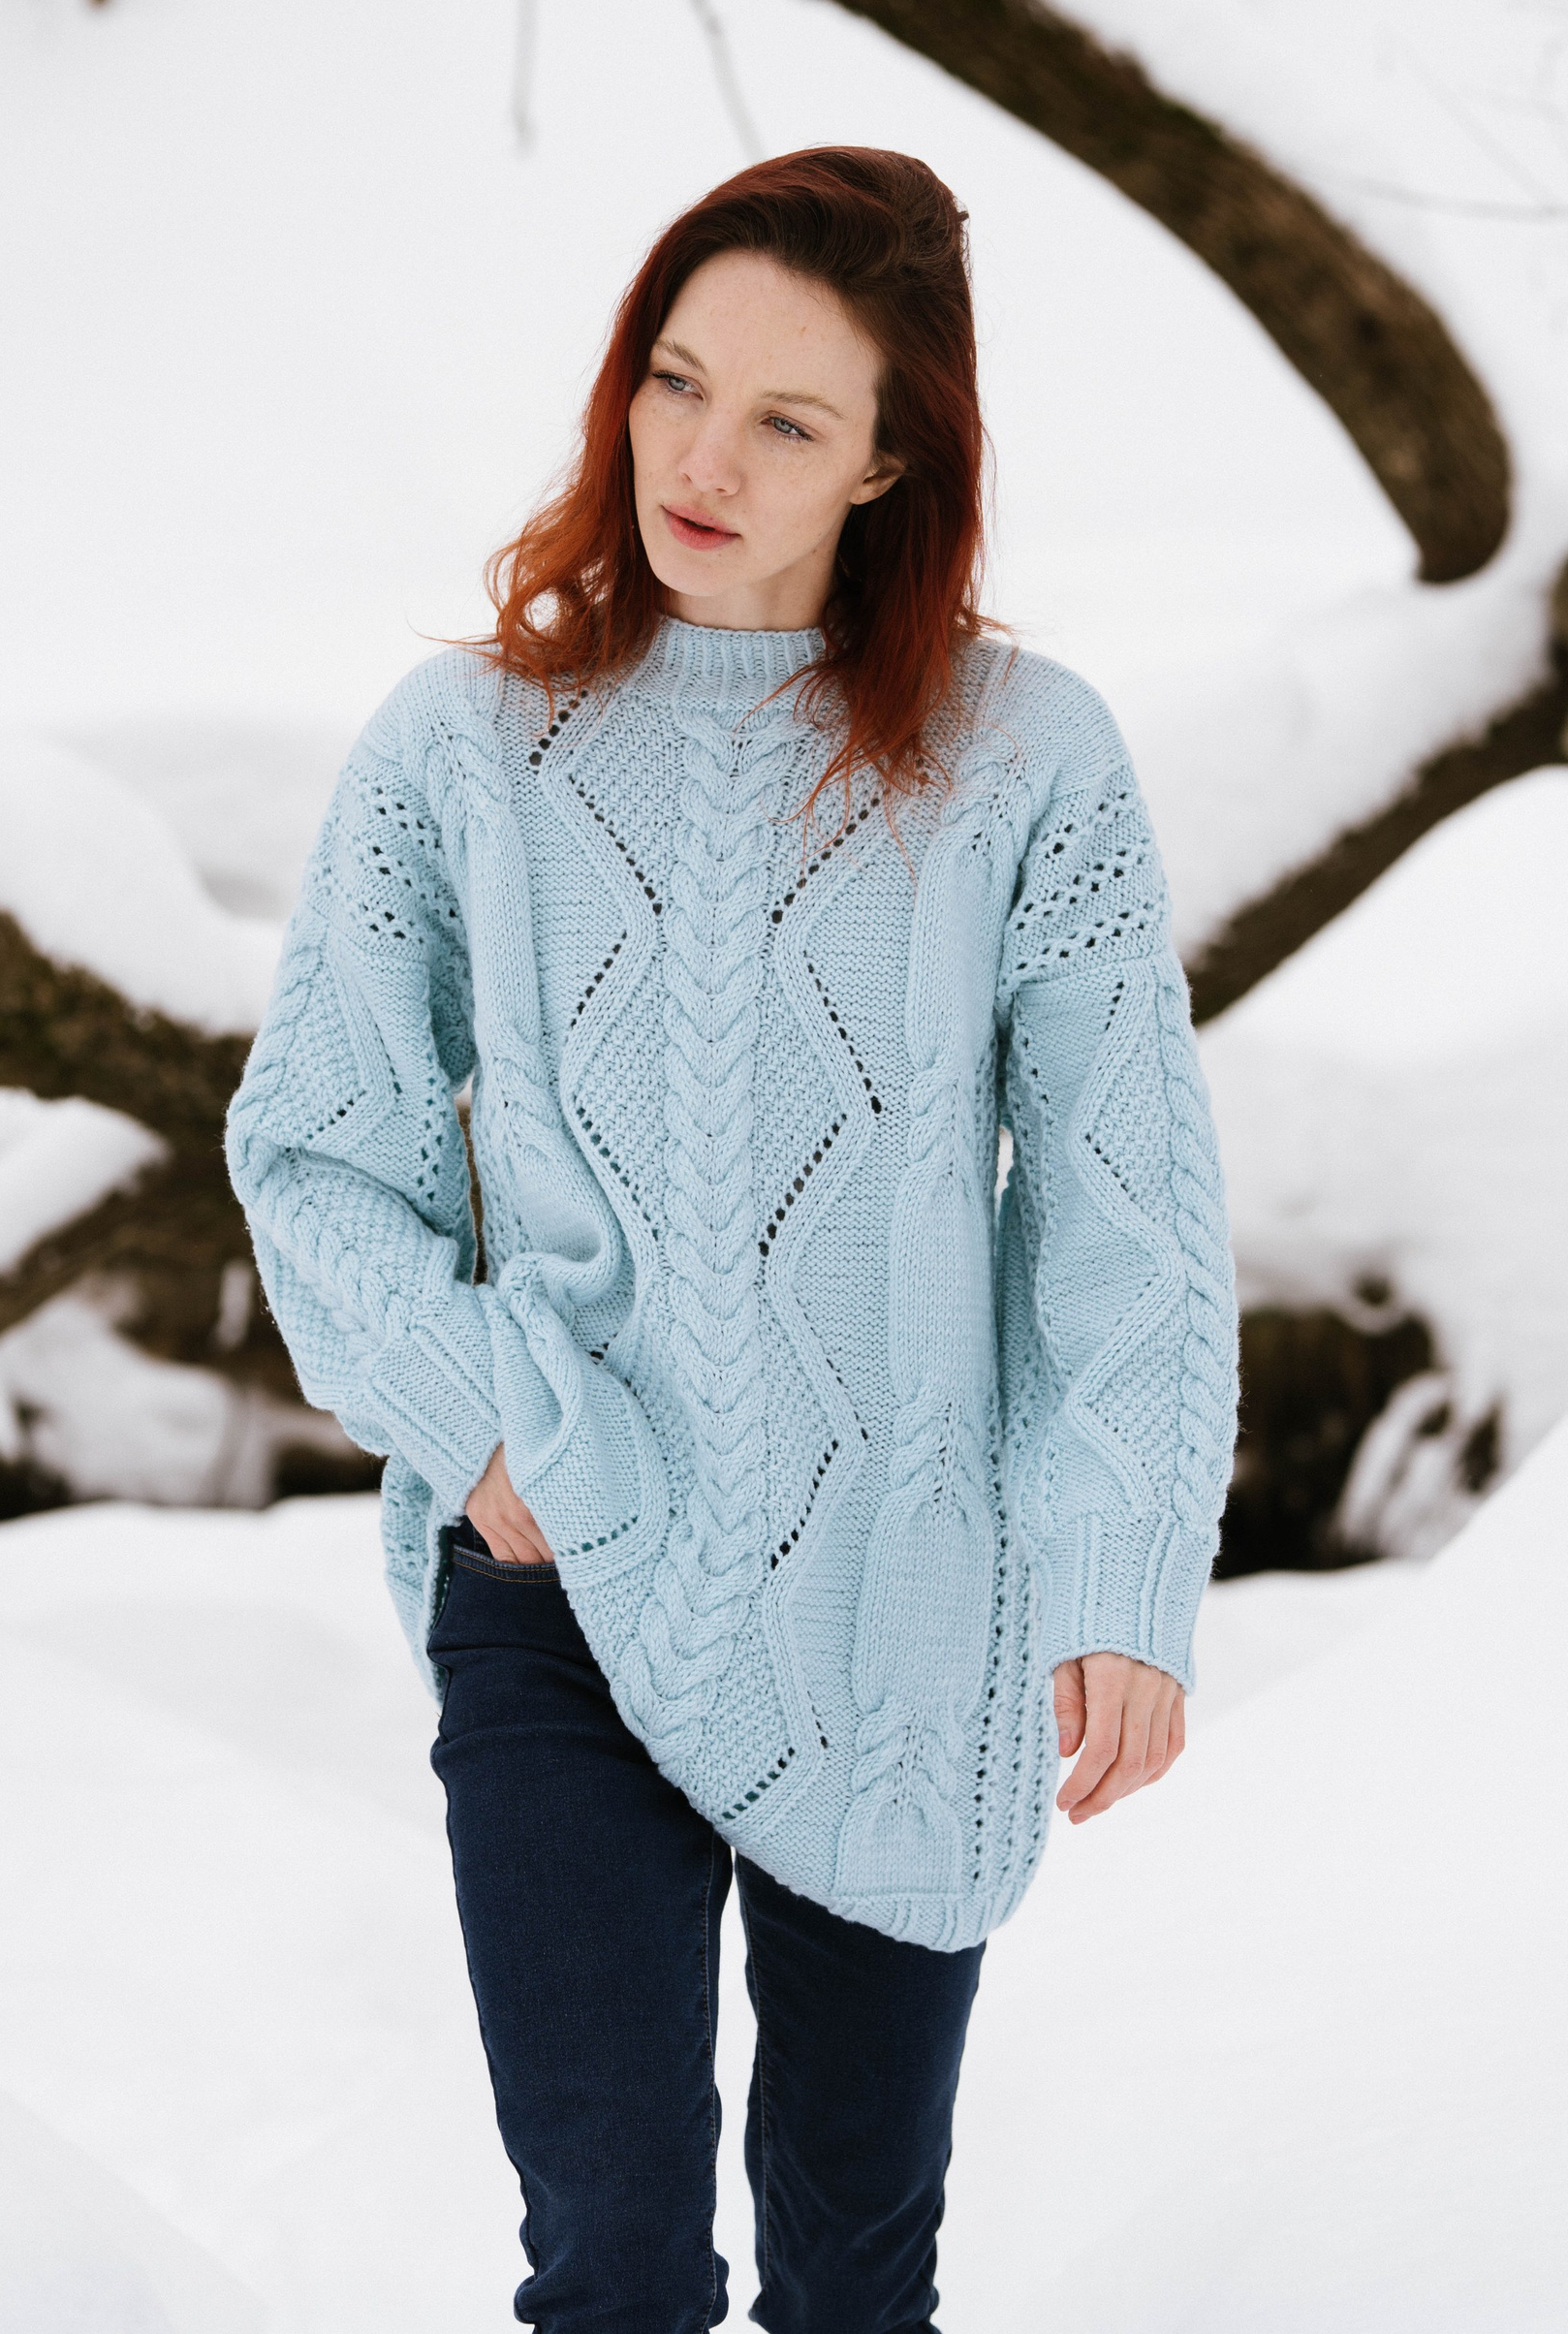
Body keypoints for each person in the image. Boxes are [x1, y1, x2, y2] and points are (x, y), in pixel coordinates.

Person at [227, 147, 1238, 2333]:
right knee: (611, 2265)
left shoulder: (1027, 763)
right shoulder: (465, 747)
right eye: (675, 383)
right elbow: (316, 1152)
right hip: (559, 1569)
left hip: (903, 1597)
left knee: (857, 2280)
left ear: (889, 462)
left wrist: (1120, 1564)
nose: (701, 459)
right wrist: (485, 1425)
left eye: (786, 420)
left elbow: (1122, 1214)